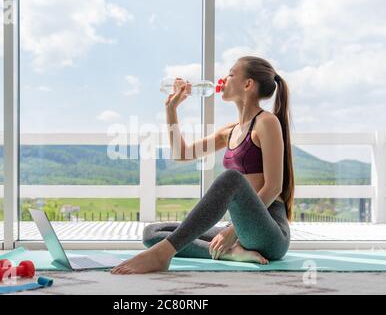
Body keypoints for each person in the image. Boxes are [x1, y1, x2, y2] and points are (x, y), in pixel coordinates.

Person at [111, 56, 294, 275]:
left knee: (231, 178)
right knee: (153, 233)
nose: (223, 79)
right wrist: (171, 109)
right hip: (241, 230)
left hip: (269, 233)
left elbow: (274, 187)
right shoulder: (230, 131)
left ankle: (163, 254)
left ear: (248, 85)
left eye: (231, 74)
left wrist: (232, 231)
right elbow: (182, 153)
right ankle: (229, 253)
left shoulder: (266, 122)